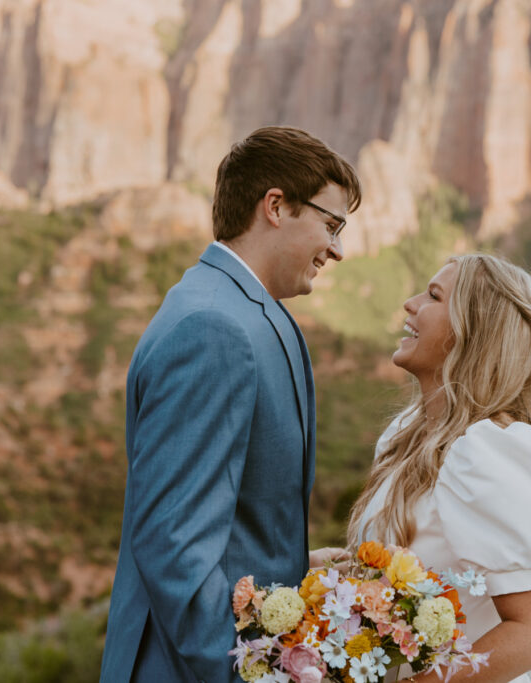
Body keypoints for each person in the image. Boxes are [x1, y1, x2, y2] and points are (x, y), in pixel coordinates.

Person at [100, 126, 361, 682]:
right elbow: (174, 544)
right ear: (275, 206)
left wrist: (293, 570)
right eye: (331, 224)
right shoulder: (214, 327)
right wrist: (250, 674)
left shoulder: (243, 310)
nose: (337, 249)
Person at [348, 254, 531, 683]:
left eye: (433, 296)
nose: (410, 304)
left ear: (468, 334)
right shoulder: (404, 438)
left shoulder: (486, 455)